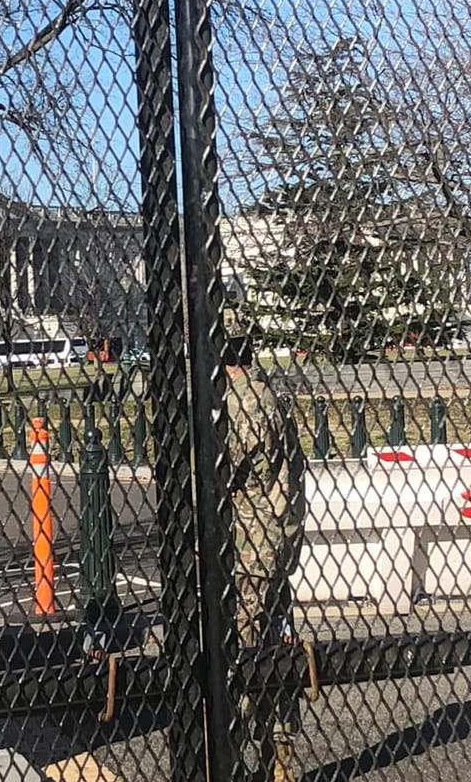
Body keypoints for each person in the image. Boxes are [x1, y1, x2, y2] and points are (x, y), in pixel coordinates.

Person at [223, 321, 305, 782]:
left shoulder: (239, 403)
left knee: (245, 648)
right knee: (279, 642)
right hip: (278, 537)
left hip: (249, 543)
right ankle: (282, 755)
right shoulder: (272, 396)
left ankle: (237, 752)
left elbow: (224, 470)